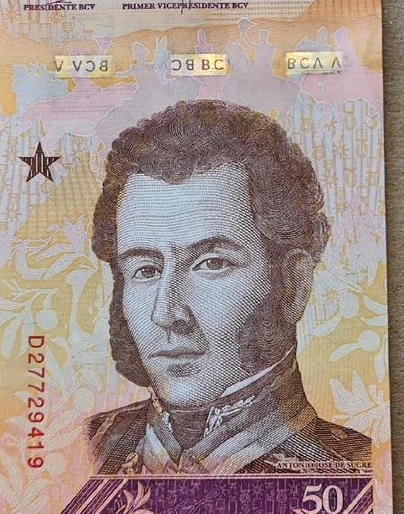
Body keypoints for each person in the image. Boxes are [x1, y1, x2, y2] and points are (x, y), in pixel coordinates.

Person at [86, 99, 371, 475]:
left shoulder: (360, 468)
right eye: (146, 269)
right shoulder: (85, 448)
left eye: (212, 264)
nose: (166, 313)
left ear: (293, 284)